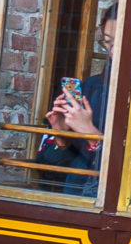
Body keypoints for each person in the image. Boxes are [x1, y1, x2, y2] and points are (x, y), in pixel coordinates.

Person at [35, 10, 119, 194]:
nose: (112, 51)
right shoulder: (92, 87)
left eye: (119, 42)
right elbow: (47, 174)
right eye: (107, 42)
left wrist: (91, 134)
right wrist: (62, 137)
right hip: (71, 199)